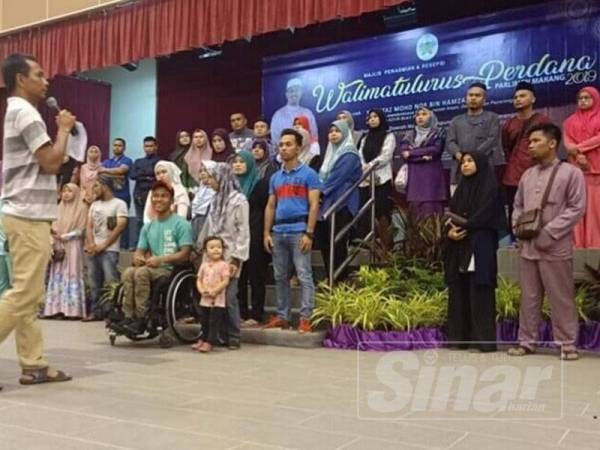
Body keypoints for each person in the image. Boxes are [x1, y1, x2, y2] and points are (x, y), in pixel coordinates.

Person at [0, 53, 75, 385]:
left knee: (28, 294)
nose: (46, 81)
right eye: (39, 75)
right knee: (25, 295)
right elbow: (50, 162)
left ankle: (33, 364)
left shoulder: (18, 111)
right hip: (27, 214)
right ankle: (33, 363)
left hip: (25, 213)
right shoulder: (26, 113)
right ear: (20, 79)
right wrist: (64, 130)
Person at [509, 123, 586, 360]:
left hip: (555, 246)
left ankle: (566, 344)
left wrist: (550, 231)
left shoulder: (571, 173)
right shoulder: (527, 175)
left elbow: (577, 208)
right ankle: (527, 341)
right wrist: (517, 228)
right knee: (529, 297)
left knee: (560, 296)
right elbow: (518, 206)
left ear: (552, 143)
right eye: (529, 142)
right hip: (528, 247)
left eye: (536, 141)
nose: (530, 146)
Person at [444, 152, 507, 353]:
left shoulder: (491, 187)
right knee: (459, 290)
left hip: (480, 244)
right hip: (459, 244)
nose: (465, 165)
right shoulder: (461, 189)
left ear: (480, 163)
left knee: (480, 290)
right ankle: (459, 338)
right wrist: (450, 232)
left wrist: (467, 224)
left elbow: (486, 215)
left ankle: (483, 341)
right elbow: (450, 215)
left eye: (470, 161)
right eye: (463, 162)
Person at [263, 129, 321, 333]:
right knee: (279, 276)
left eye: (288, 144)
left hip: (299, 230)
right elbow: (270, 206)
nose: (284, 148)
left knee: (304, 274)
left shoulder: (309, 174)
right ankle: (283, 316)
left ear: (298, 147)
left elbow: (314, 205)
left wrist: (309, 232)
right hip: (278, 230)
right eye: (281, 144)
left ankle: (306, 317)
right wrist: (266, 233)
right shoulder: (275, 177)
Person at [120, 181, 193, 335]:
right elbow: (139, 250)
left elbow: (185, 253)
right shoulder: (148, 226)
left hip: (171, 270)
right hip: (151, 267)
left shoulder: (182, 224)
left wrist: (161, 260)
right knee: (128, 272)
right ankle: (128, 316)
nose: (159, 200)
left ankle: (141, 317)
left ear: (171, 201)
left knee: (141, 273)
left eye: (164, 196)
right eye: (155, 196)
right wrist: (138, 257)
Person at [197, 163, 250, 349]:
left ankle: (234, 335)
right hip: (213, 255)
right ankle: (215, 335)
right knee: (212, 296)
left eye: (211, 177)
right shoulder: (215, 199)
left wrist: (237, 258)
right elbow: (211, 228)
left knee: (229, 295)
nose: (208, 181)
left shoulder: (239, 200)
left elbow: (243, 231)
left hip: (230, 254)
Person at [316, 120, 362, 282]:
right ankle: (331, 277)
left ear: (345, 134)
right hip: (327, 203)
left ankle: (339, 279)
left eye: (337, 131)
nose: (333, 134)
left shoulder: (349, 154)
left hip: (342, 202)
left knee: (338, 243)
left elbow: (337, 178)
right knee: (325, 242)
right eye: (331, 131)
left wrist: (319, 192)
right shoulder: (330, 153)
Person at [502, 82, 550, 231]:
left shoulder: (542, 121)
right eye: (516, 97)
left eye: (522, 96)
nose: (518, 99)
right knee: (515, 213)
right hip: (513, 178)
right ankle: (515, 244)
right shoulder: (509, 123)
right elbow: (506, 148)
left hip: (537, 175)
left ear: (533, 99)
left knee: (539, 213)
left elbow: (549, 149)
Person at [232, 151, 270, 326]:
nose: (238, 164)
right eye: (235, 162)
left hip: (254, 234)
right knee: (239, 276)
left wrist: (265, 233)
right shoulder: (230, 186)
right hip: (236, 236)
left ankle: (256, 314)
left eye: (242, 161)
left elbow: (266, 210)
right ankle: (240, 312)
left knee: (256, 276)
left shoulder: (260, 184)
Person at [84, 175, 129, 321]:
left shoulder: (119, 204)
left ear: (105, 186)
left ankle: (111, 311)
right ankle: (96, 311)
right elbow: (89, 225)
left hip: (110, 249)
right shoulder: (94, 205)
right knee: (93, 281)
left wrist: (104, 245)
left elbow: (120, 226)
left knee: (111, 280)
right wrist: (91, 244)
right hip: (93, 248)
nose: (94, 189)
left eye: (96, 186)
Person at [446, 82, 504, 188]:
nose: (473, 98)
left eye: (477, 95)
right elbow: (450, 142)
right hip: (460, 170)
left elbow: (492, 140)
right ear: (466, 98)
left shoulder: (492, 118)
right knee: (460, 204)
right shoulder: (456, 121)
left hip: (484, 171)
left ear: (484, 99)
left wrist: (473, 158)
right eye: (470, 95)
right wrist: (461, 157)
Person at [43, 183, 88, 319]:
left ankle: (73, 311)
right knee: (57, 275)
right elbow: (52, 227)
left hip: (73, 245)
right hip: (58, 246)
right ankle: (56, 309)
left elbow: (82, 229)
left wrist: (64, 236)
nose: (66, 194)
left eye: (70, 191)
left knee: (72, 273)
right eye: (64, 191)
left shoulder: (82, 208)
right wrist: (52, 240)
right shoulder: (58, 208)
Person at [563, 86, 600, 249]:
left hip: (596, 170)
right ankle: (578, 244)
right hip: (577, 170)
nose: (583, 101)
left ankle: (595, 244)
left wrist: (580, 148)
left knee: (595, 210)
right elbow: (567, 143)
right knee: (577, 206)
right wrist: (579, 156)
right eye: (580, 98)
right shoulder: (569, 121)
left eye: (587, 98)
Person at [357, 109, 396, 253]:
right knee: (365, 212)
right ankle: (367, 245)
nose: (372, 120)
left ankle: (386, 247)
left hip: (382, 180)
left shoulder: (389, 136)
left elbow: (386, 155)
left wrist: (371, 165)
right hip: (365, 179)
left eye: (375, 117)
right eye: (370, 117)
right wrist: (364, 167)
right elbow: (360, 153)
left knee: (382, 212)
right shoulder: (365, 137)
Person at [398, 107, 447, 217]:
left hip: (431, 177)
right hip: (414, 178)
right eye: (418, 115)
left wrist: (412, 153)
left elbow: (435, 150)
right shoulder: (409, 134)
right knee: (415, 216)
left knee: (432, 214)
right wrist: (422, 157)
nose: (420, 117)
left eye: (424, 114)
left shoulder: (438, 132)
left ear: (431, 116)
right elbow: (404, 152)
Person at [193, 236, 231, 353]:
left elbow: (225, 280)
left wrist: (216, 290)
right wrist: (201, 290)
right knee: (204, 320)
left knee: (214, 322)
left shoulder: (224, 265)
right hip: (205, 299)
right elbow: (199, 279)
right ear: (206, 251)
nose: (216, 250)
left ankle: (210, 341)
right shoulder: (204, 265)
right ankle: (202, 338)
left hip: (217, 300)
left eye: (219, 247)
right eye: (212, 247)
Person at [99, 137, 133, 249]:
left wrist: (106, 172)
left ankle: (124, 246)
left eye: (119, 145)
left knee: (122, 222)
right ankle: (110, 245)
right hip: (108, 196)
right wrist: (116, 174)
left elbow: (121, 171)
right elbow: (101, 174)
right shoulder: (107, 161)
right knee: (108, 222)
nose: (116, 147)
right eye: (115, 145)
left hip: (122, 195)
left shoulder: (127, 160)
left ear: (124, 148)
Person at [270, 78, 318, 144]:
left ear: (301, 93)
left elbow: (314, 137)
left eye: (297, 91)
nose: (294, 94)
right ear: (286, 94)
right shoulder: (278, 115)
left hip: (305, 153)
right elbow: (275, 140)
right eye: (291, 91)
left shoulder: (308, 113)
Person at [130, 136, 160, 235]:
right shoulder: (138, 161)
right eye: (146, 146)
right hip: (138, 193)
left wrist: (142, 174)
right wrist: (147, 176)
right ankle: (138, 244)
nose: (148, 148)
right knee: (139, 220)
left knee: (153, 219)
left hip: (153, 193)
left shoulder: (160, 161)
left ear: (156, 147)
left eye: (151, 146)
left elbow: (156, 176)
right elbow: (132, 175)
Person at [191, 161, 217, 243]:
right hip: (195, 221)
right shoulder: (201, 189)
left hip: (207, 222)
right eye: (201, 171)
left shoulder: (216, 191)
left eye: (205, 170)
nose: (202, 173)